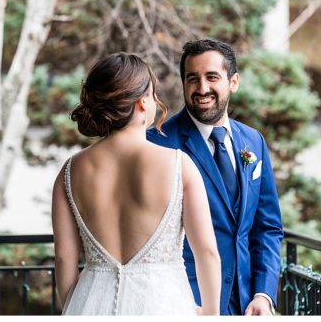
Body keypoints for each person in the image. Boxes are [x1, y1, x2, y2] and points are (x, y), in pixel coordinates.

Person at [52, 52, 221, 315]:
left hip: (90, 305)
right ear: (142, 102)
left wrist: (77, 307)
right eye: (153, 94)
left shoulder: (70, 170)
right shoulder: (178, 164)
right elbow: (207, 252)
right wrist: (211, 314)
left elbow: (64, 258)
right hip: (162, 305)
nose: (156, 101)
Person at [147, 39, 284, 315]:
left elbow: (267, 228)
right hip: (186, 303)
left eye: (212, 77)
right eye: (192, 79)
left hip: (247, 304)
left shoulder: (253, 142)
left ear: (233, 82)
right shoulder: (157, 143)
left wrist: (263, 294)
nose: (202, 89)